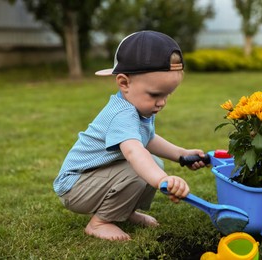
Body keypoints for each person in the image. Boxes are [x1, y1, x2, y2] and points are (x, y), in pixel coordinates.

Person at [53, 30, 208, 241]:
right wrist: (162, 180)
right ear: (124, 83)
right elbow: (134, 152)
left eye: (167, 95)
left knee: (152, 163)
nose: (161, 102)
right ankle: (99, 223)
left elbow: (149, 139)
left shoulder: (137, 107)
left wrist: (181, 154)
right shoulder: (122, 114)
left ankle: (124, 212)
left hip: (92, 178)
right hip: (75, 186)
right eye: (155, 94)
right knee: (138, 170)